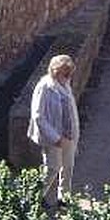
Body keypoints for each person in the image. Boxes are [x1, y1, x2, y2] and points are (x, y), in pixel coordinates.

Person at [28, 54, 80, 207]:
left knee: (68, 166)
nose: (69, 76)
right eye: (66, 73)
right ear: (56, 71)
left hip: (69, 134)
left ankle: (64, 198)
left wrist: (74, 131)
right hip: (53, 137)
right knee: (52, 168)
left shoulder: (65, 83)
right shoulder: (44, 86)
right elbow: (38, 116)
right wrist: (55, 138)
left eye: (70, 73)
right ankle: (36, 196)